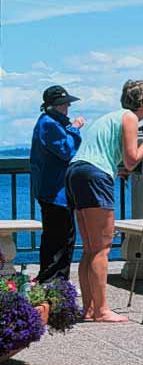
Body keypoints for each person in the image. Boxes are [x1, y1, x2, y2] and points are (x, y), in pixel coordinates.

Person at [65, 79, 143, 322]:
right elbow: (131, 160)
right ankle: (103, 310)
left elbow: (109, 153)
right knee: (102, 248)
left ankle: (88, 309)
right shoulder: (129, 117)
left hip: (76, 171)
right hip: (95, 175)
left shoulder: (112, 116)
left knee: (89, 249)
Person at [30, 85, 85, 283]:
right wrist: (75, 129)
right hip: (54, 192)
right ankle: (54, 283)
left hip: (56, 191)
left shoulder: (50, 122)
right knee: (58, 240)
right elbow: (67, 150)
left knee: (62, 238)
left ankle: (57, 282)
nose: (68, 107)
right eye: (64, 104)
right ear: (54, 106)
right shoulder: (49, 123)